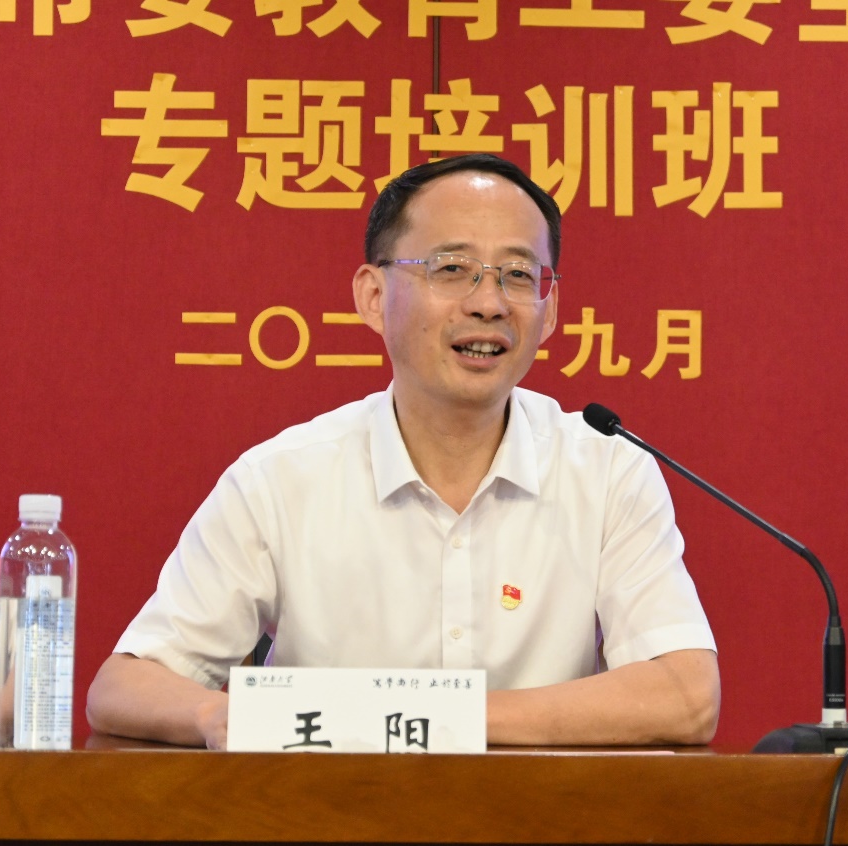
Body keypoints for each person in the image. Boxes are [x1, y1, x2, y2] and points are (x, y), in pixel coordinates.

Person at [87, 153, 719, 749]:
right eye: (452, 269)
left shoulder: (607, 470)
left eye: (518, 275)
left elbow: (686, 696)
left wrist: (421, 720)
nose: (488, 303)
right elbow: (124, 687)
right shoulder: (281, 479)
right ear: (372, 296)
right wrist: (223, 716)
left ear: (549, 311)